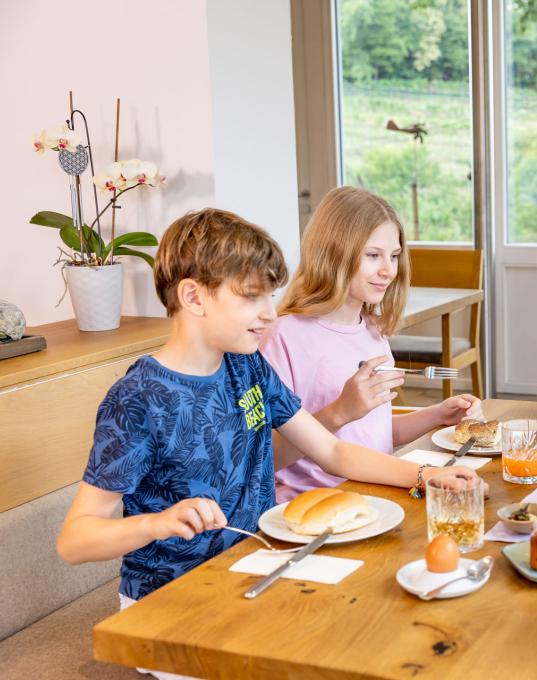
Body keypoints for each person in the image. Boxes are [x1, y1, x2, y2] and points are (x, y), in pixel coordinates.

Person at [57, 208, 477, 610]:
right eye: (252, 298)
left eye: (271, 296)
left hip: (257, 565)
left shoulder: (248, 365)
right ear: (193, 296)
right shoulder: (138, 397)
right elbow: (74, 540)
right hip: (171, 595)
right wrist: (159, 523)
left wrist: (428, 476)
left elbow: (330, 451)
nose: (270, 314)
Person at [260, 186, 482, 502]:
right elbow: (267, 458)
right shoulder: (284, 335)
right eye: (373, 255)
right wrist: (340, 411)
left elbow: (376, 435)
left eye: (394, 256)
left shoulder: (374, 332)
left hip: (377, 493)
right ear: (334, 253)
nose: (388, 270)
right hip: (315, 506)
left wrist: (438, 415)